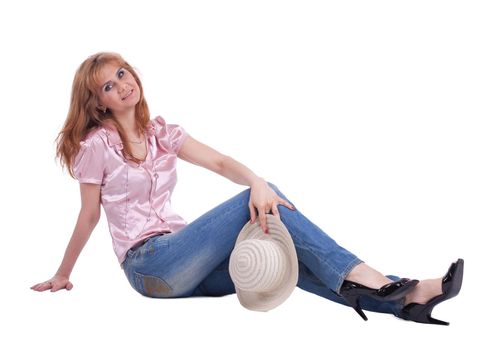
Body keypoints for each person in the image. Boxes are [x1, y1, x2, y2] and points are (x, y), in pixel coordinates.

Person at [31, 52, 464, 325]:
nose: (123, 84)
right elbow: (89, 215)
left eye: (122, 73)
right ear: (99, 102)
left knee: (282, 263)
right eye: (109, 85)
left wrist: (256, 181)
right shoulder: (96, 146)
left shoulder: (162, 132)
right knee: (260, 200)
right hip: (151, 267)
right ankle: (365, 274)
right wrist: (63, 273)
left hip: (188, 264)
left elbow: (220, 162)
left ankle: (405, 300)